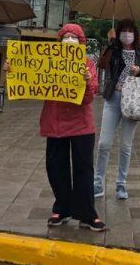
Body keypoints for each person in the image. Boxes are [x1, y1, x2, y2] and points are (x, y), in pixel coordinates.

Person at [35, 24, 106, 231]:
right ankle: (62, 208)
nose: (69, 40)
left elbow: (89, 97)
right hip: (54, 122)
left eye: (74, 37)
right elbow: (33, 82)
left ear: (80, 42)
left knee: (84, 170)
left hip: (81, 125)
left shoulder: (87, 64)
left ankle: (87, 213)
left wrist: (86, 82)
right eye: (65, 36)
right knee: (57, 168)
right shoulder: (48, 62)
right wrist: (14, 73)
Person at [94, 19, 140, 200]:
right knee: (104, 143)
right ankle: (98, 183)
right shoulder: (114, 50)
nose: (126, 35)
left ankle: (121, 184)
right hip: (113, 98)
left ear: (135, 34)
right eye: (123, 31)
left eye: (130, 31)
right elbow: (102, 65)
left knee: (126, 145)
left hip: (132, 101)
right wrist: (110, 43)